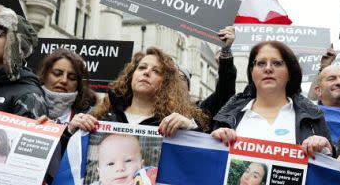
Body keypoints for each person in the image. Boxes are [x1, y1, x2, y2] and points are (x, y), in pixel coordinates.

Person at [211, 41, 333, 157]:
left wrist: (326, 149)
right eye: (261, 63)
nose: (268, 68)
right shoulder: (227, 117)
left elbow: (332, 169)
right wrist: (213, 142)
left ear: (290, 72)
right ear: (251, 72)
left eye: (277, 63)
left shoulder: (313, 118)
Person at [69, 47, 207, 137]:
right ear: (131, 76)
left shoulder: (173, 125)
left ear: (165, 84)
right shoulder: (101, 116)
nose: (146, 72)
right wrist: (72, 131)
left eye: (156, 71)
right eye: (142, 68)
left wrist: (191, 130)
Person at [176, 26, 237, 130]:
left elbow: (224, 92)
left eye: (180, 77)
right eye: (169, 77)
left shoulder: (199, 111)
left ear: (188, 88)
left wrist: (225, 52)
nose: (174, 81)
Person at [79, 133, 154, 185]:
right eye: (111, 164)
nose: (120, 168)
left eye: (128, 160)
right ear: (100, 173)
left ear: (141, 165)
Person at [37, 49, 97, 124]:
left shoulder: (91, 116)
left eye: (72, 77)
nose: (64, 80)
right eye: (57, 73)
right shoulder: (27, 103)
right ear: (44, 75)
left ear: (78, 84)